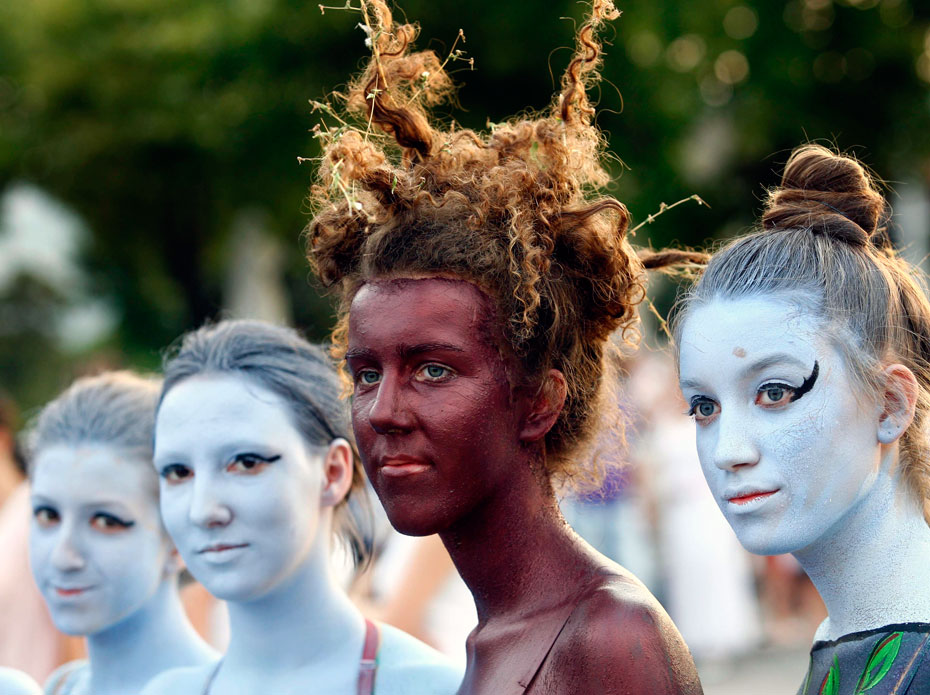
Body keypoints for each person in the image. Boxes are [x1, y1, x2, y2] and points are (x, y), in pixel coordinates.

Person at [305, 1, 703, 692]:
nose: (382, 412)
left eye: (432, 369)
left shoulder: (607, 638)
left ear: (539, 402)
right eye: (366, 374)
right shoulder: (497, 636)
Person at [675, 144, 930, 692]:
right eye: (704, 407)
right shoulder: (844, 637)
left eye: (774, 392)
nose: (728, 451)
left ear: (891, 404)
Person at [142, 319, 462, 695]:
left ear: (332, 472)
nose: (203, 510)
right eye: (178, 472)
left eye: (246, 462)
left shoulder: (436, 687)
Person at [27, 372, 216, 695]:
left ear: (178, 538)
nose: (63, 557)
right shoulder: (60, 687)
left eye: (105, 521)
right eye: (48, 515)